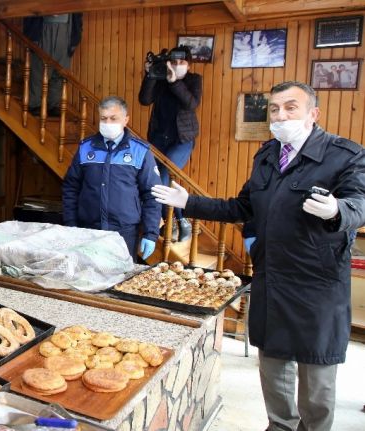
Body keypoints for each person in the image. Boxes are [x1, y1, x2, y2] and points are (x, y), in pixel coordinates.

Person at [152, 81, 365, 431]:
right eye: (275, 109)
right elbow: (242, 206)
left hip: (317, 283)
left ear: (313, 113)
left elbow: (360, 203)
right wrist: (189, 203)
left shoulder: (345, 155)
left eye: (290, 108)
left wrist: (338, 210)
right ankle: (279, 425)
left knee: (317, 376)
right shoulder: (267, 155)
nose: (281, 115)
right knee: (274, 366)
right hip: (272, 277)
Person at [62, 96, 162, 261]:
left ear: (125, 120)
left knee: (119, 281)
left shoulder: (140, 151)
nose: (108, 123)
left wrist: (151, 233)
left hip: (125, 233)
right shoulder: (85, 148)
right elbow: (71, 188)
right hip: (88, 231)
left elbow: (152, 194)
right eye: (103, 118)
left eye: (113, 118)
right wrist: (71, 225)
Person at [138, 45, 202, 242]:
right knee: (157, 179)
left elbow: (191, 104)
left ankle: (174, 219)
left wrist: (174, 82)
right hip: (158, 138)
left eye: (182, 62)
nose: (177, 65)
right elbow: (144, 99)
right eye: (174, 62)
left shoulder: (194, 79)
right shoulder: (159, 77)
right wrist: (150, 75)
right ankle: (179, 220)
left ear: (188, 64)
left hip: (183, 139)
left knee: (164, 175)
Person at [23, 14, 82, 116]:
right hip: (44, 26)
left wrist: (75, 38)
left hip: (66, 28)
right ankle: (35, 104)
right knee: (39, 70)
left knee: (59, 72)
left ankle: (54, 105)